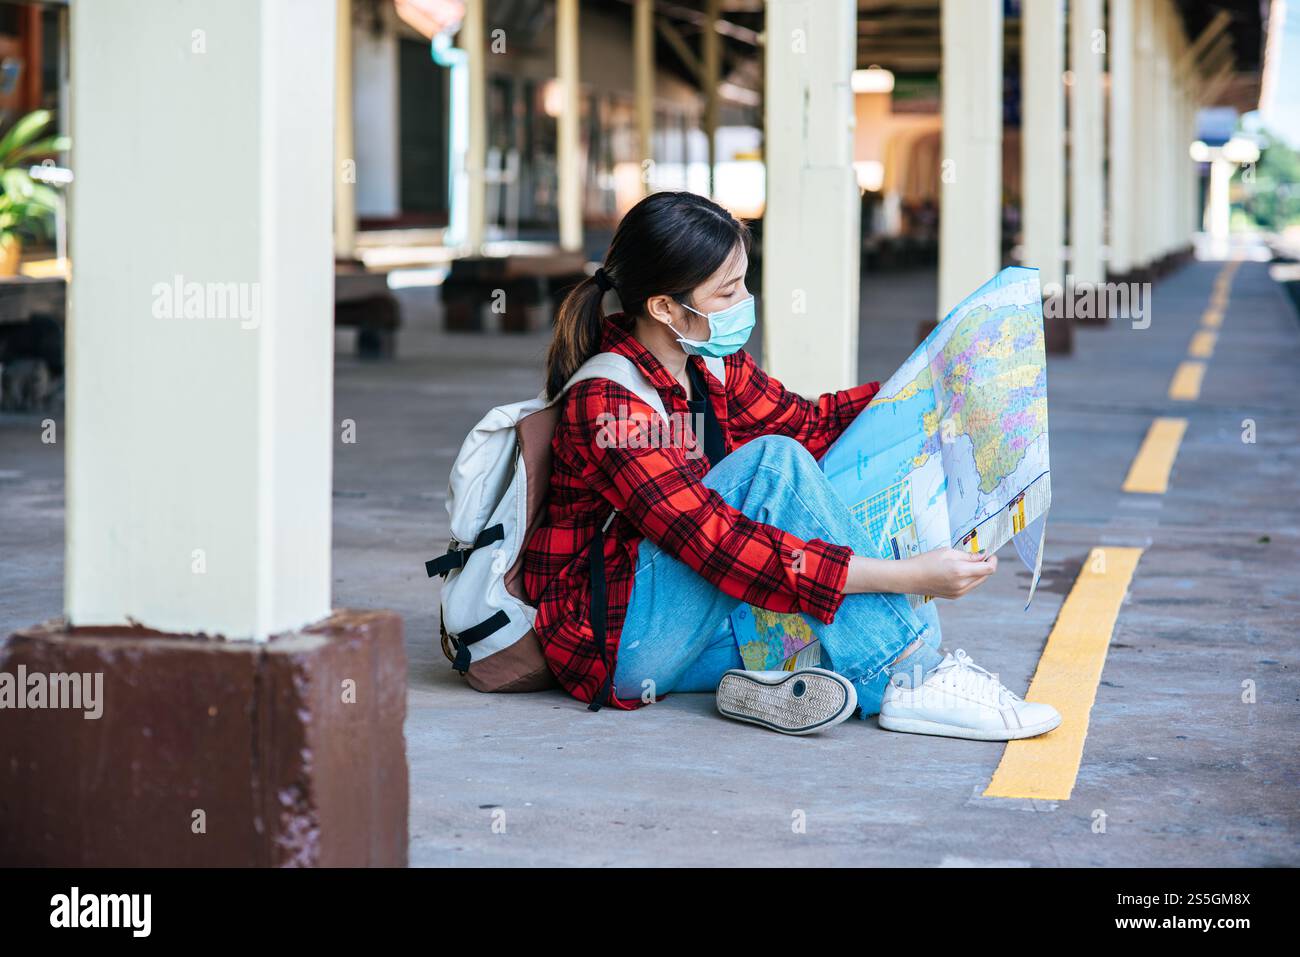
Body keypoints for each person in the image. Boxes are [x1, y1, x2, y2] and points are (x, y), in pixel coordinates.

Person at [521, 190, 1061, 740]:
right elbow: (716, 543)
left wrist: (935, 389)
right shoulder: (610, 404)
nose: (744, 301)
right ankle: (914, 677)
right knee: (773, 468)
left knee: (828, 573)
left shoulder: (712, 364)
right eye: (728, 291)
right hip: (621, 637)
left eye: (744, 282)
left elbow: (810, 423)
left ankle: (765, 684)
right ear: (663, 307)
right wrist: (908, 575)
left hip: (693, 621)